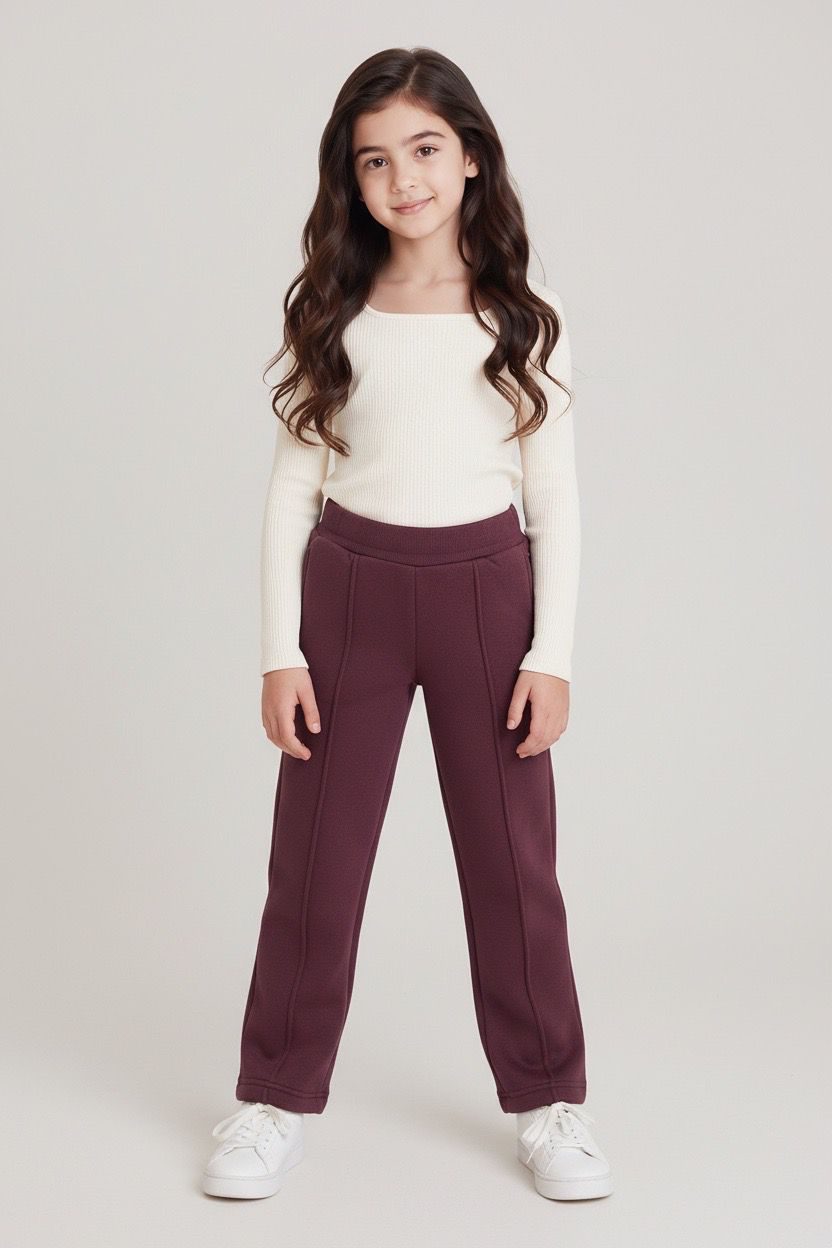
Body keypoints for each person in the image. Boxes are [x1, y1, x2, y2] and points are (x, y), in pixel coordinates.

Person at [201, 46, 613, 1203]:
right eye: (374, 160)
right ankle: (272, 1097)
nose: (403, 179)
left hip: (486, 592)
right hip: (350, 595)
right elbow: (291, 489)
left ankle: (549, 1101)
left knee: (512, 863)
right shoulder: (333, 312)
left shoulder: (525, 317)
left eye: (424, 150)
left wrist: (551, 657)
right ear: (352, 178)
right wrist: (280, 650)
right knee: (314, 864)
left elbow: (555, 500)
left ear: (470, 157)